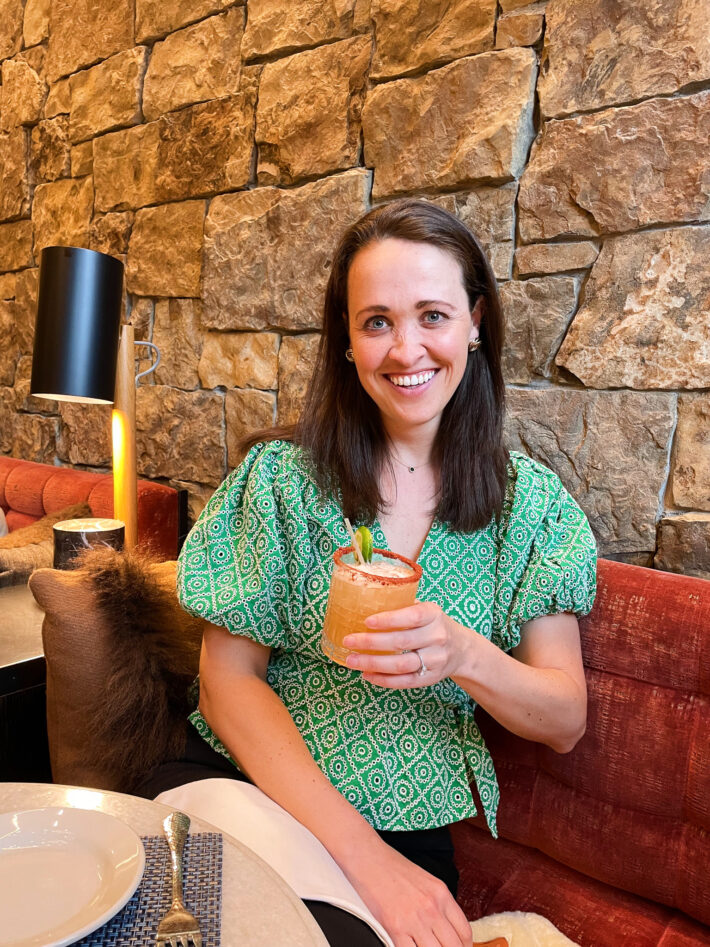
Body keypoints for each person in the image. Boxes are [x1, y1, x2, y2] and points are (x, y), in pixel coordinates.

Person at [153, 200, 597, 947]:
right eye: (377, 322)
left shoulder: (532, 509)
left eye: (432, 315)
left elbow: (564, 718)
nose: (405, 348)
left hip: (412, 833)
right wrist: (366, 861)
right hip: (246, 791)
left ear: (475, 322)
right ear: (348, 343)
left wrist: (465, 654)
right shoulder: (281, 482)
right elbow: (227, 681)